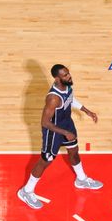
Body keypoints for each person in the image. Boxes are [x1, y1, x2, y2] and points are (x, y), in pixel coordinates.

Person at [18, 64, 102, 209]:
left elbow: (70, 99)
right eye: (65, 75)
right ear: (57, 79)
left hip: (66, 124)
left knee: (74, 152)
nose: (69, 76)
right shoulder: (53, 98)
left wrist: (86, 111)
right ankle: (26, 191)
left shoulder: (67, 86)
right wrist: (64, 133)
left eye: (68, 73)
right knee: (45, 161)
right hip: (53, 131)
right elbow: (44, 122)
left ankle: (81, 179)